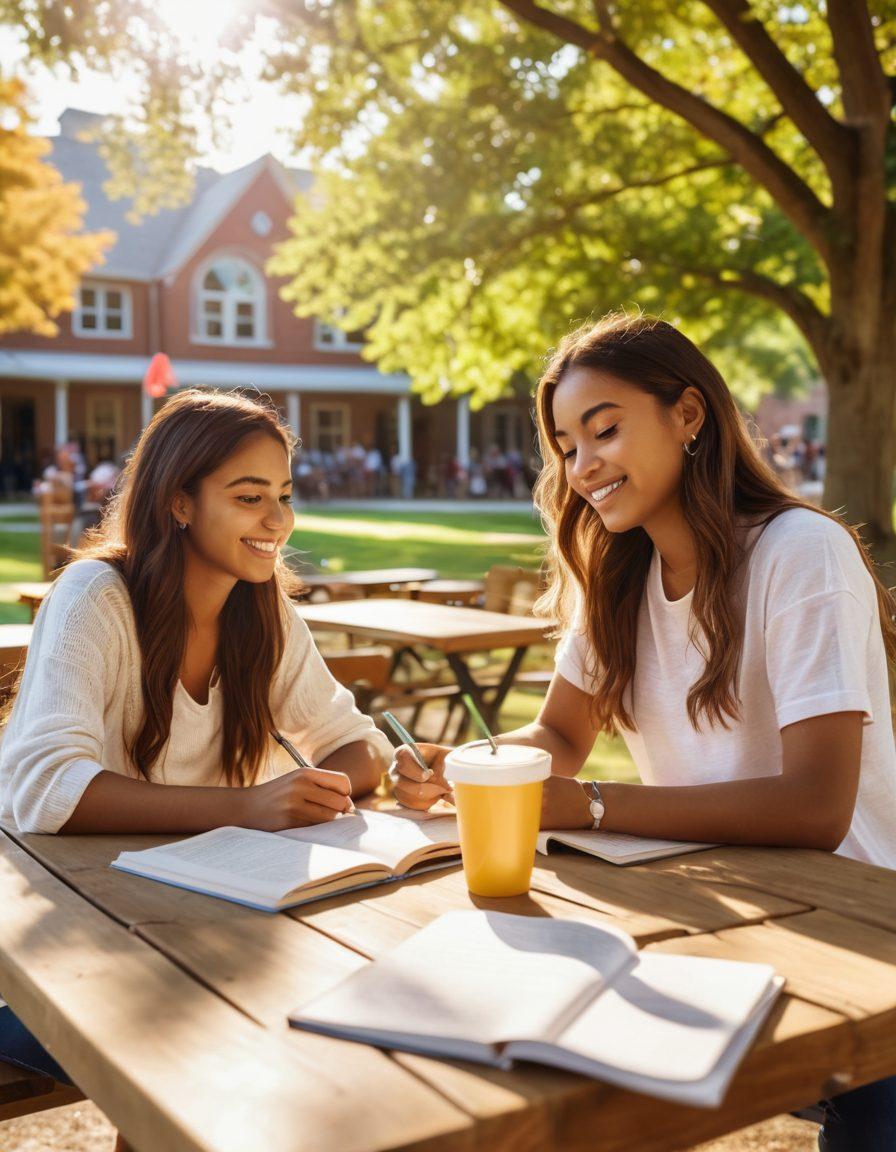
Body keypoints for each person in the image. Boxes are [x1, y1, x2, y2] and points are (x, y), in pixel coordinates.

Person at [390, 312, 896, 1151]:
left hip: (852, 926)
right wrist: (473, 763)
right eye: (564, 444)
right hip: (717, 916)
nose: (582, 465)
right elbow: (557, 734)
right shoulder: (618, 577)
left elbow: (817, 807)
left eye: (605, 429)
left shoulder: (802, 552)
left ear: (689, 415)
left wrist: (586, 805)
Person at [0, 389, 392, 1140]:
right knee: (227, 1036)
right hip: (56, 948)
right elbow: (46, 789)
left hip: (185, 929)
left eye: (283, 495)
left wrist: (351, 777)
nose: (278, 521)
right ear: (179, 502)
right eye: (249, 498)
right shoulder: (97, 598)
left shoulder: (263, 611)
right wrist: (248, 807)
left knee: (325, 1007)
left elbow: (354, 740)